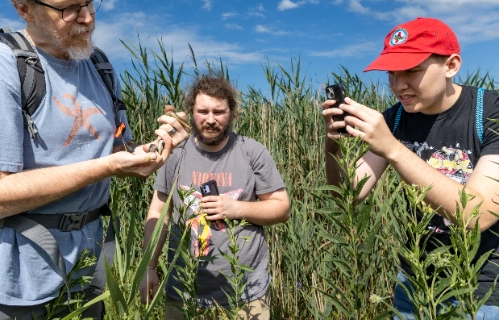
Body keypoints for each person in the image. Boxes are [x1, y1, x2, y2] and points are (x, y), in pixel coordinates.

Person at [0, 0, 189, 320]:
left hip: (82, 279)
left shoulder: (99, 67)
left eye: (90, 1)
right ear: (25, 8)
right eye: (69, 8)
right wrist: (108, 167)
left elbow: (118, 152)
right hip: (1, 284)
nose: (87, 18)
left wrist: (156, 146)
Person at [322, 17, 499, 318]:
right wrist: (333, 144)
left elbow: (478, 214)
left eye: (412, 71)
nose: (398, 85)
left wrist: (392, 148)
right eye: (392, 73)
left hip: (480, 291)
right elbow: (348, 195)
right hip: (414, 282)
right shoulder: (395, 118)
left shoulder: (490, 111)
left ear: (451, 66)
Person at [139, 75, 291, 319]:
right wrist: (148, 266)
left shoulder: (251, 152)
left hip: (246, 294)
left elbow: (282, 209)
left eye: (219, 112)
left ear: (231, 112)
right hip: (184, 292)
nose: (210, 120)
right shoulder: (176, 154)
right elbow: (158, 213)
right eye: (203, 111)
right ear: (192, 112)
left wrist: (236, 209)